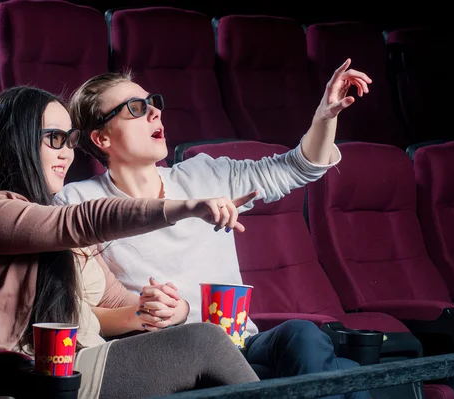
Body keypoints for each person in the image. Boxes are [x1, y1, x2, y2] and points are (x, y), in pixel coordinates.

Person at [54, 59, 373, 399]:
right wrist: (144, 313)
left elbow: (299, 167)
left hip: (241, 342)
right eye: (135, 108)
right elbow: (76, 310)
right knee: (346, 376)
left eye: (153, 103)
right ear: (102, 137)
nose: (154, 113)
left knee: (303, 336)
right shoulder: (78, 204)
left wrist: (325, 116)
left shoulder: (203, 175)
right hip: (169, 353)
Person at [0, 85, 260, 399]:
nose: (66, 153)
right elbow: (86, 219)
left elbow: (118, 303)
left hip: (83, 363)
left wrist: (167, 311)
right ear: (19, 141)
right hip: (25, 375)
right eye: (55, 139)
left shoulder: (64, 230)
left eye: (70, 141)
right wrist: (186, 207)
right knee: (205, 343)